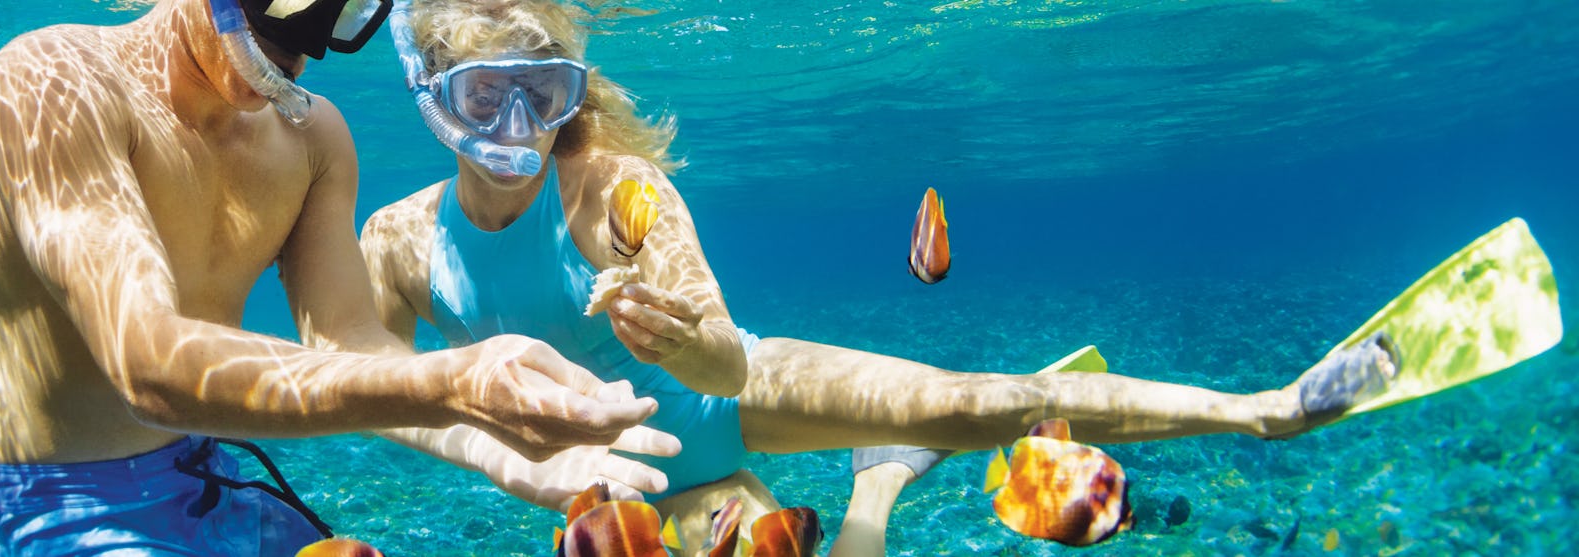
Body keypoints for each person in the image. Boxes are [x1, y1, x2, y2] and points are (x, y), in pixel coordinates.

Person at [354, 0, 1404, 555]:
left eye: (544, 93)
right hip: (636, 489)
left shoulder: (614, 190)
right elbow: (363, 382)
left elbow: (722, 359)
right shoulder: (399, 241)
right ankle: (880, 482)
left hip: (733, 398)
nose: (520, 127)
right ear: (431, 96)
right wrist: (498, 446)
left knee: (979, 402)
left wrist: (676, 333)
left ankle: (1267, 409)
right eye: (485, 96)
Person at [0, 0, 679, 554]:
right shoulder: (51, 80)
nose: (308, 33)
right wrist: (454, 385)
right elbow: (144, 362)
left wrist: (493, 446)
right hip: (64, 506)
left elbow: (350, 342)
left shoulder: (312, 137)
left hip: (208, 474)